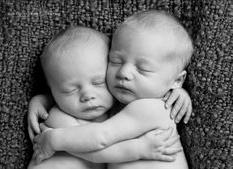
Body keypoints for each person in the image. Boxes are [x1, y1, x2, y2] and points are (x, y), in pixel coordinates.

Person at [30, 9, 193, 169]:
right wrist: (45, 99)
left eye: (143, 69)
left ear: (177, 80)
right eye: (115, 61)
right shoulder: (115, 106)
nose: (124, 73)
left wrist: (54, 140)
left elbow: (100, 139)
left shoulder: (154, 107)